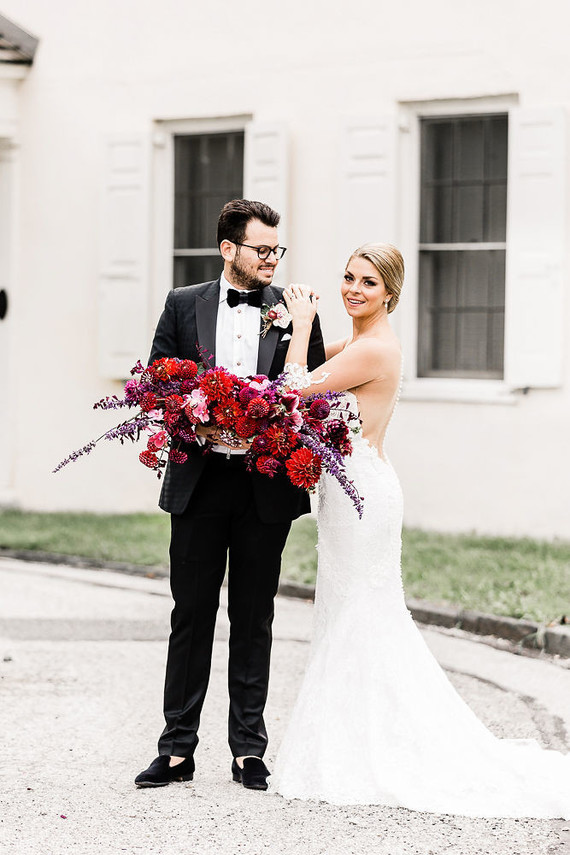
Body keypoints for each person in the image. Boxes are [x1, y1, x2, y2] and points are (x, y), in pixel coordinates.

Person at [270, 243, 570, 818]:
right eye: (348, 278)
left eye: (368, 283)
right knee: (345, 611)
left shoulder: (375, 350)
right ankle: (355, 736)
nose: (353, 290)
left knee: (365, 614)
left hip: (365, 500)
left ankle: (376, 746)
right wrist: (285, 327)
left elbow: (290, 392)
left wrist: (305, 318)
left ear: (390, 294)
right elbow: (300, 364)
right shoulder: (359, 344)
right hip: (345, 496)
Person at [135, 199, 325, 790]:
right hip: (201, 482)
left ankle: (248, 748)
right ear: (228, 250)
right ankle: (176, 749)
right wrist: (195, 422)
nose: (272, 259)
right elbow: (158, 384)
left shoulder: (295, 310)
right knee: (190, 615)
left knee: (254, 616)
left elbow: (311, 393)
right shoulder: (182, 303)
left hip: (263, 487)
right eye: (261, 249)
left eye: (277, 249)